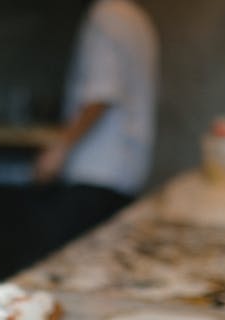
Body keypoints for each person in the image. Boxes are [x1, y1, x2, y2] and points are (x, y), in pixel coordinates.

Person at [33, 0, 158, 236]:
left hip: (96, 171)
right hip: (128, 172)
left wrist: (58, 150)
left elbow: (102, 94)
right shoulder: (138, 19)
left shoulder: (106, 14)